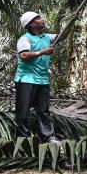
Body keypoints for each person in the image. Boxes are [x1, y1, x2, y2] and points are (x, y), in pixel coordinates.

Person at [14, 11, 60, 144]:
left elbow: (62, 36)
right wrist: (43, 52)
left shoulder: (47, 37)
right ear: (32, 24)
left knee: (43, 110)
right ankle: (24, 139)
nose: (42, 19)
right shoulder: (25, 39)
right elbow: (24, 55)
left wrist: (73, 20)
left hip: (42, 80)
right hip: (26, 80)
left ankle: (48, 137)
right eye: (38, 18)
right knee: (23, 111)